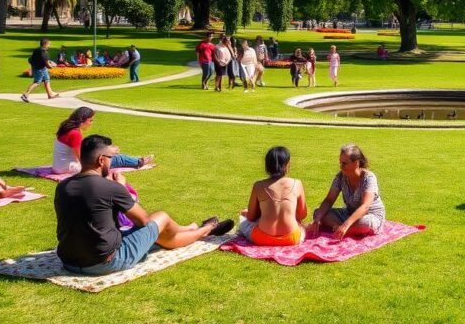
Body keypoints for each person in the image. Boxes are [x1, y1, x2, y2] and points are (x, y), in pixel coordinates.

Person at [54, 134, 233, 275]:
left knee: (156, 230)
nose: (112, 161)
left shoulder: (62, 186)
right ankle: (206, 230)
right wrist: (121, 188)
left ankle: (190, 229)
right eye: (111, 158)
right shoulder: (109, 187)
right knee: (159, 219)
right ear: (101, 160)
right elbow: (143, 221)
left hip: (69, 260)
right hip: (104, 262)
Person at [309, 144, 386, 237]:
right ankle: (340, 228)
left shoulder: (369, 178)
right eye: (340, 163)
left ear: (356, 163)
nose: (341, 166)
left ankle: (344, 229)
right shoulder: (340, 176)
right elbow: (329, 200)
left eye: (345, 163)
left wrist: (346, 225)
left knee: (365, 223)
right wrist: (317, 219)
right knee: (318, 212)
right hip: (349, 214)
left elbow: (365, 207)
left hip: (370, 215)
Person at [238, 146, 308, 246]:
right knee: (302, 226)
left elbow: (251, 217)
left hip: (262, 238)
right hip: (291, 239)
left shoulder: (258, 185)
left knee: (242, 218)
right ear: (287, 164)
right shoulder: (297, 183)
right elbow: (302, 215)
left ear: (267, 165)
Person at [53, 107, 153, 174]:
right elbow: (83, 158)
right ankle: (139, 162)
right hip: (67, 168)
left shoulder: (66, 128)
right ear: (82, 120)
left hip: (60, 166)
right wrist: (105, 154)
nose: (91, 123)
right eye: (90, 120)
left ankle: (137, 160)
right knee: (114, 158)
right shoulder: (74, 133)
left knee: (109, 154)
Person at [21, 38, 59, 103]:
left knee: (46, 80)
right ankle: (25, 95)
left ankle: (50, 95)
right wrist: (51, 66)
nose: (49, 46)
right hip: (40, 69)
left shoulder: (37, 50)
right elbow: (47, 63)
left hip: (39, 68)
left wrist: (33, 66)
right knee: (37, 82)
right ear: (45, 44)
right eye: (49, 44)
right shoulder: (44, 52)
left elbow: (30, 59)